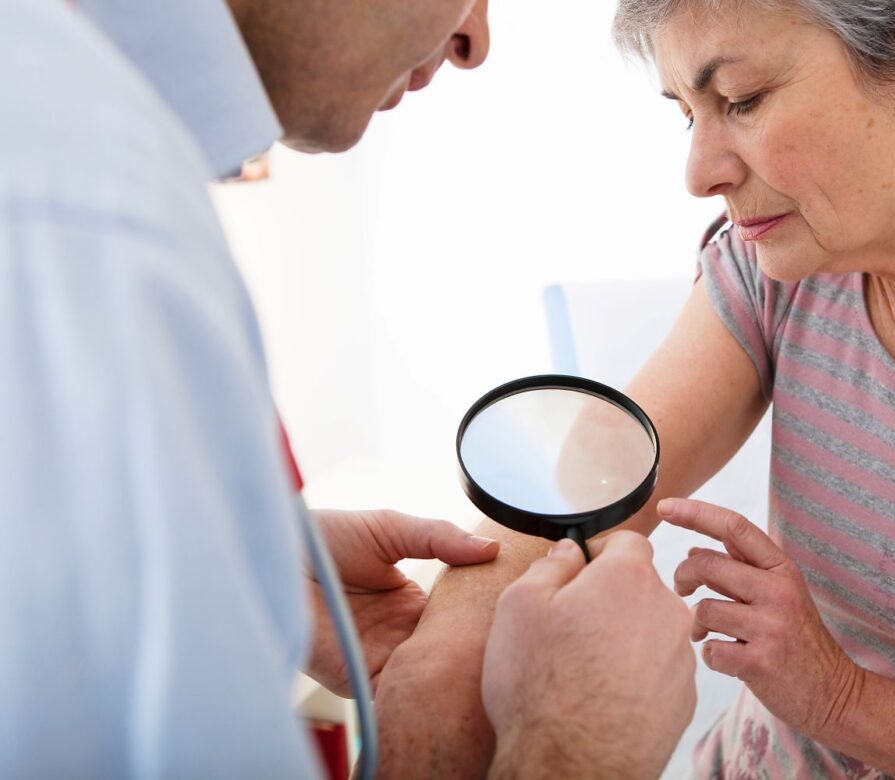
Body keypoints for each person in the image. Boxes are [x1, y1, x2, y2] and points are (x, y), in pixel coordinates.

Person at [378, 0, 895, 777]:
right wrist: (433, 672)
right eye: (688, 114)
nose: (698, 173)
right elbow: (577, 498)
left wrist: (840, 701)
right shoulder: (789, 264)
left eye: (742, 100)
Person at [0, 0, 695, 777]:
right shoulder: (84, 220)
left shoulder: (78, 160)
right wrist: (578, 746)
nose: (476, 41)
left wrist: (242, 546)